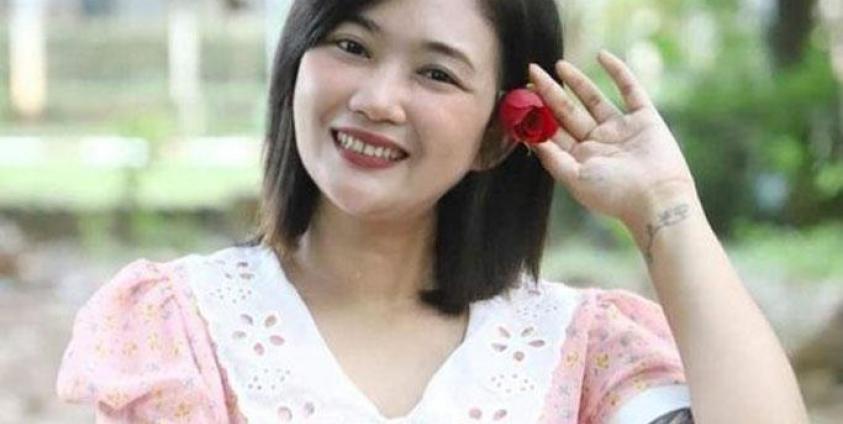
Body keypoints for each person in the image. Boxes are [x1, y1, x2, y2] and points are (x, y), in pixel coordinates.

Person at [56, 0, 809, 422]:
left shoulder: (578, 348)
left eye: (436, 74)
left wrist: (666, 210)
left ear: (497, 136)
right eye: (351, 46)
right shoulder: (177, 326)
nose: (377, 99)